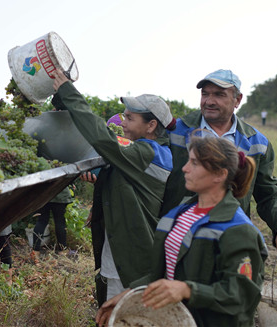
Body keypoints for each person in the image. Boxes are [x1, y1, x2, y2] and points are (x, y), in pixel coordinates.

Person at [96, 135, 268, 327]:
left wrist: (188, 290)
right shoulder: (179, 214)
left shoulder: (237, 230)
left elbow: (241, 296)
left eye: (194, 163)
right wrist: (129, 294)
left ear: (220, 174)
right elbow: (164, 272)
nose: (185, 168)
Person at [51, 68, 176, 305]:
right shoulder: (148, 153)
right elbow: (132, 185)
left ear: (150, 126)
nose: (123, 122)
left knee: (123, 314)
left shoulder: (148, 153)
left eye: (130, 118)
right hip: (123, 250)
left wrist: (69, 92)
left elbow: (103, 139)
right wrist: (105, 181)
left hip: (130, 258)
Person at [161, 69, 277, 258]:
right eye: (205, 94)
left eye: (219, 95)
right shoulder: (175, 131)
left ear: (237, 100)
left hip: (227, 241)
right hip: (176, 237)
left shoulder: (256, 142)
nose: (209, 101)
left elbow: (269, 193)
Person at [32, 185, 73, 253]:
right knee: (60, 222)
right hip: (60, 194)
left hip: (43, 193)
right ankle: (62, 250)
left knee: (41, 221)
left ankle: (35, 251)